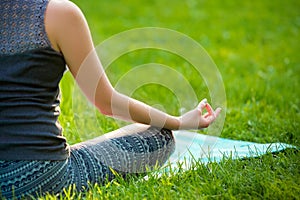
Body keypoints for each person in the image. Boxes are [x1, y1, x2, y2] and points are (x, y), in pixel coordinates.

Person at [0, 0, 221, 199]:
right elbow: (106, 102)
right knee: (158, 136)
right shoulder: (58, 15)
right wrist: (178, 122)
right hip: (39, 177)